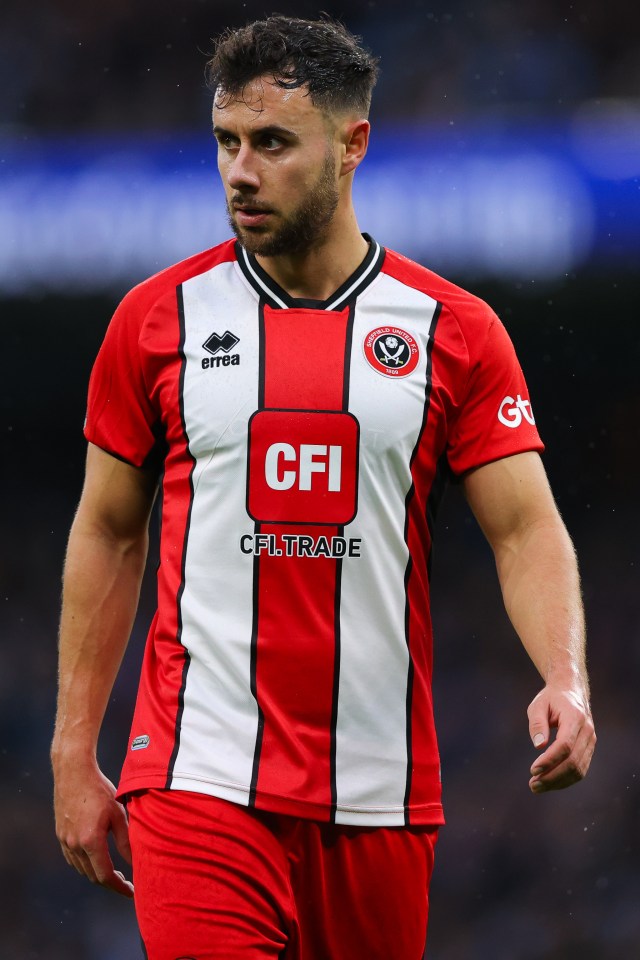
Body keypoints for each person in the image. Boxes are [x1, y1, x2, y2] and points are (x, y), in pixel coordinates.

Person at [51, 15, 596, 960]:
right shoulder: (155, 320)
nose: (240, 172)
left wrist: (566, 675)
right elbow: (107, 532)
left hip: (379, 791)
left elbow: (524, 530)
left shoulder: (451, 331)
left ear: (353, 146)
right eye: (227, 141)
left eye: (272, 143)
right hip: (196, 777)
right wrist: (71, 748)